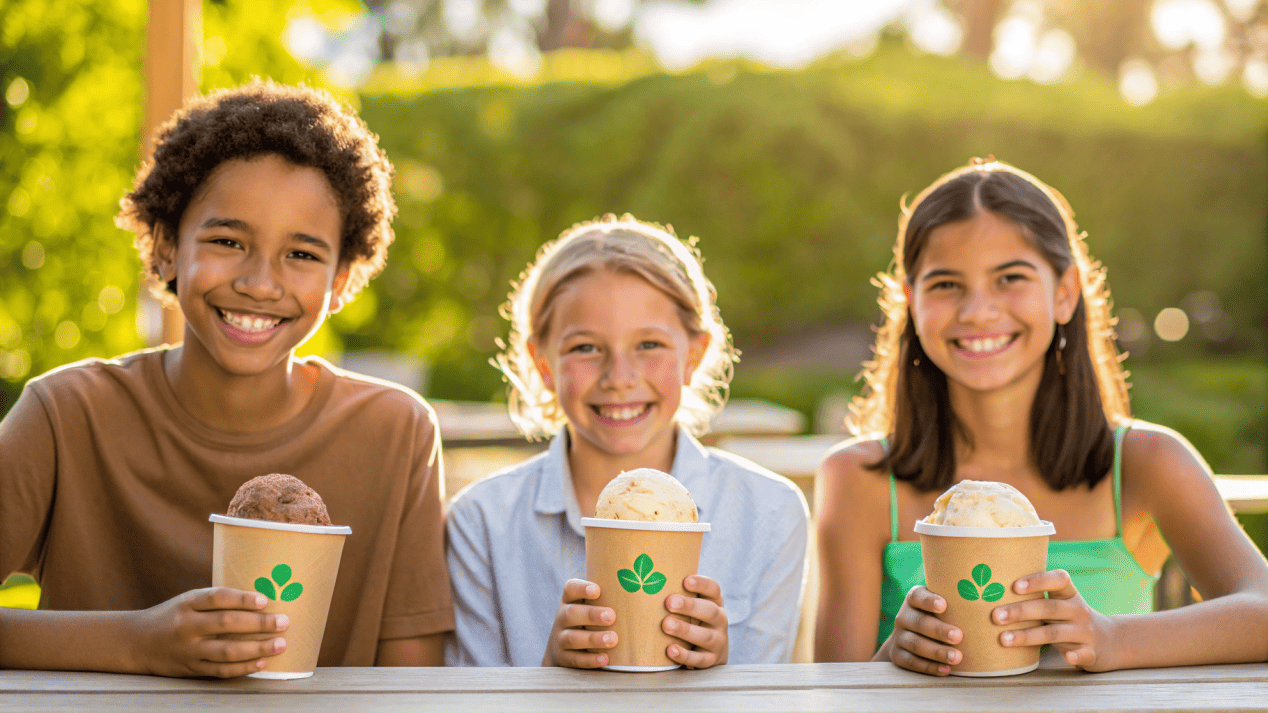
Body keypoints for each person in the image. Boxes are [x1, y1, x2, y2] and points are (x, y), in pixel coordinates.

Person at [0, 81, 454, 676]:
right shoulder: (65, 415)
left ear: (342, 279)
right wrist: (138, 643)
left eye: (302, 255)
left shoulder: (398, 434)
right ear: (165, 247)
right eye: (227, 241)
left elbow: (413, 684)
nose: (260, 283)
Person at [814, 158, 1268, 673]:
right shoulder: (860, 479)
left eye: (1010, 278)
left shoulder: (1146, 463)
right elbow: (831, 689)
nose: (978, 311)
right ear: (909, 301)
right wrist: (890, 660)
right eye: (945, 284)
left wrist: (1113, 638)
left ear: (1066, 293)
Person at [445, 214, 810, 668]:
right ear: (542, 364)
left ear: (693, 355)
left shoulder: (770, 511)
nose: (619, 377)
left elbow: (765, 694)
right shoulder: (481, 522)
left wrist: (722, 674)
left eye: (649, 345)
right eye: (585, 348)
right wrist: (550, 677)